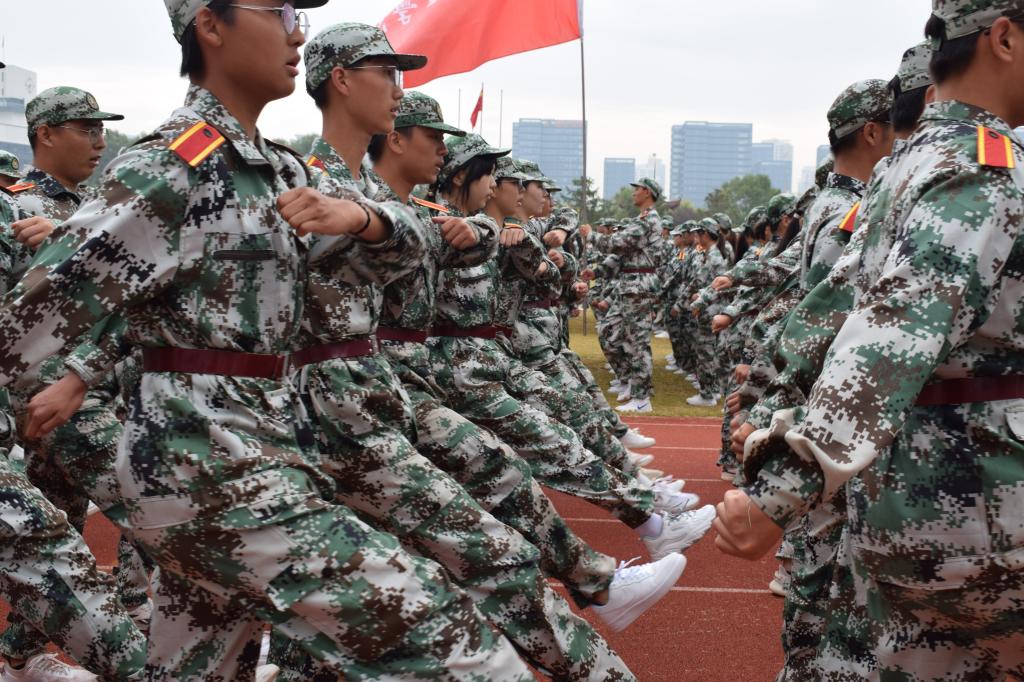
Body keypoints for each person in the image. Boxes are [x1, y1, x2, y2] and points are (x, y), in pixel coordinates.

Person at [0, 3, 533, 679]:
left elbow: (411, 250)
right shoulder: (169, 167)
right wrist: (74, 376)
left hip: (260, 454)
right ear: (211, 26)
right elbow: (31, 319)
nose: (297, 31)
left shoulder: (277, 171)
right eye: (276, 10)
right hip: (206, 470)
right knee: (457, 643)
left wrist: (365, 220)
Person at [717, 2, 1024, 678]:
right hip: (982, 504)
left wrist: (771, 406)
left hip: (909, 495)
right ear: (1002, 37)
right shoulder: (983, 168)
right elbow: (892, 335)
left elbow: (828, 310)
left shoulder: (904, 167)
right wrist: (784, 489)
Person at [583, 178, 664, 413]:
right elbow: (621, 256)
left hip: (638, 287)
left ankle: (642, 399)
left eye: (636, 189)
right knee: (607, 332)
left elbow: (618, 243)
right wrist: (597, 271)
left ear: (647, 192)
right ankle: (629, 381)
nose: (633, 193)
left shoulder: (648, 220)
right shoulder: (641, 219)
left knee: (637, 342)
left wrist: (591, 236)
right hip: (628, 286)